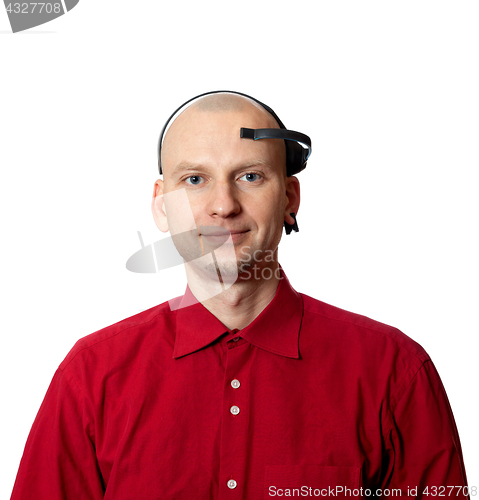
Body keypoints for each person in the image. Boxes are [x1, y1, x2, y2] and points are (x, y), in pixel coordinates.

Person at [10, 91, 469, 499]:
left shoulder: (394, 372)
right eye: (194, 179)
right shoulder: (91, 377)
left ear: (290, 197)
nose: (223, 205)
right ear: (160, 204)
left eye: (250, 176)